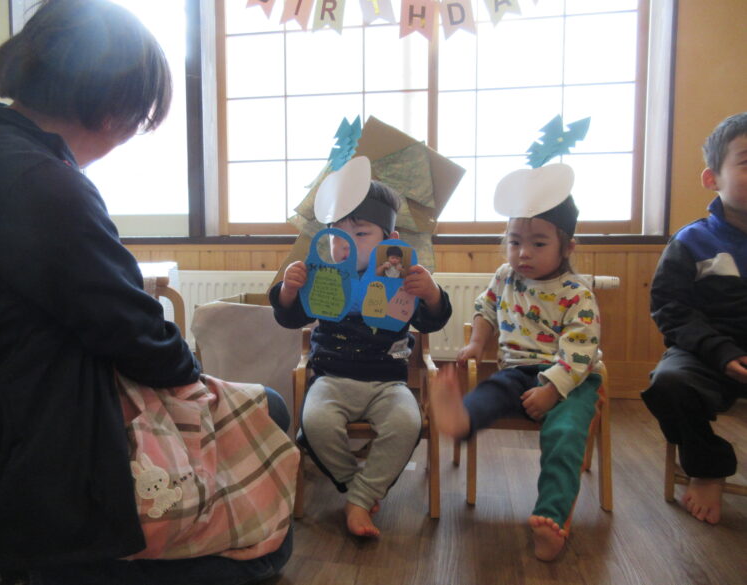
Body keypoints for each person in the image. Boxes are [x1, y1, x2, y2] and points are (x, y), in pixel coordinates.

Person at [0, 1, 293, 583]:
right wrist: (191, 372)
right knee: (271, 538)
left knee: (265, 407)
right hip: (32, 434)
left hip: (0, 402)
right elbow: (134, 331)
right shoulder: (42, 182)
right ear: (113, 109)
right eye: (137, 119)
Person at [431, 164, 603, 561]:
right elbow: (486, 308)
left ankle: (552, 518)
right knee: (490, 392)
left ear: (567, 247)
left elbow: (580, 348)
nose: (523, 252)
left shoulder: (577, 293)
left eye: (538, 243)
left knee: (564, 434)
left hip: (572, 380)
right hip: (516, 371)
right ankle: (461, 420)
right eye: (514, 241)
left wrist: (552, 389)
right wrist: (477, 343)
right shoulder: (506, 276)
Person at [271, 179, 452, 537]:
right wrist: (289, 290)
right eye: (337, 235)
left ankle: (359, 499)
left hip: (388, 383)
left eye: (361, 233)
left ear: (390, 239)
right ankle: (360, 490)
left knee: (407, 423)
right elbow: (290, 318)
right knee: (315, 423)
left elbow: (433, 320)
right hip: (330, 379)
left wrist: (431, 294)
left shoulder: (403, 279)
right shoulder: (324, 275)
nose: (346, 244)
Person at [641, 112, 747, 525]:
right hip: (706, 354)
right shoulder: (693, 240)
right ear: (712, 178)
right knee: (669, 383)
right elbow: (670, 307)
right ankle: (706, 467)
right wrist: (721, 352)